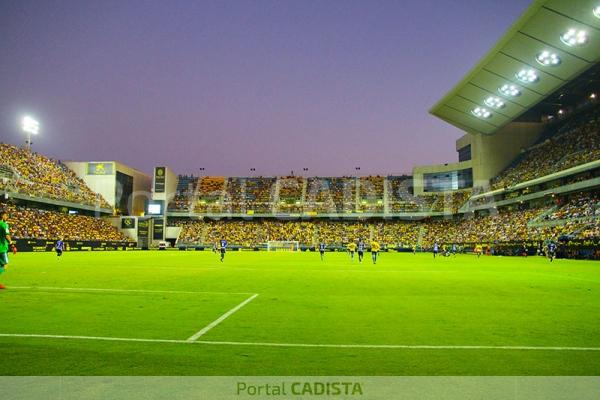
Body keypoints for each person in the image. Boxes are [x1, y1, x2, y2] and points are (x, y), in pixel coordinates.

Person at [0, 210, 14, 290]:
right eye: (6, 215)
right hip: (1, 248)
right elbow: (7, 235)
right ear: (2, 216)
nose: (7, 217)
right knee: (5, 265)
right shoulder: (4, 225)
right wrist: (12, 244)